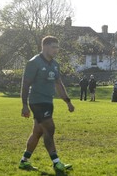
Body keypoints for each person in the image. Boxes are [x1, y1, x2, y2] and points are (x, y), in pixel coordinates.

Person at [19, 36, 74, 174]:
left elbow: (58, 84)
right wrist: (24, 105)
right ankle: (56, 163)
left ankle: (24, 161)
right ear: (44, 46)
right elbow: (25, 84)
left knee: (37, 132)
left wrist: (68, 101)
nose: (56, 50)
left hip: (48, 102)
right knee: (50, 129)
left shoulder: (55, 64)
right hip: (37, 102)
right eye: (53, 47)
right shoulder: (34, 62)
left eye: (57, 47)